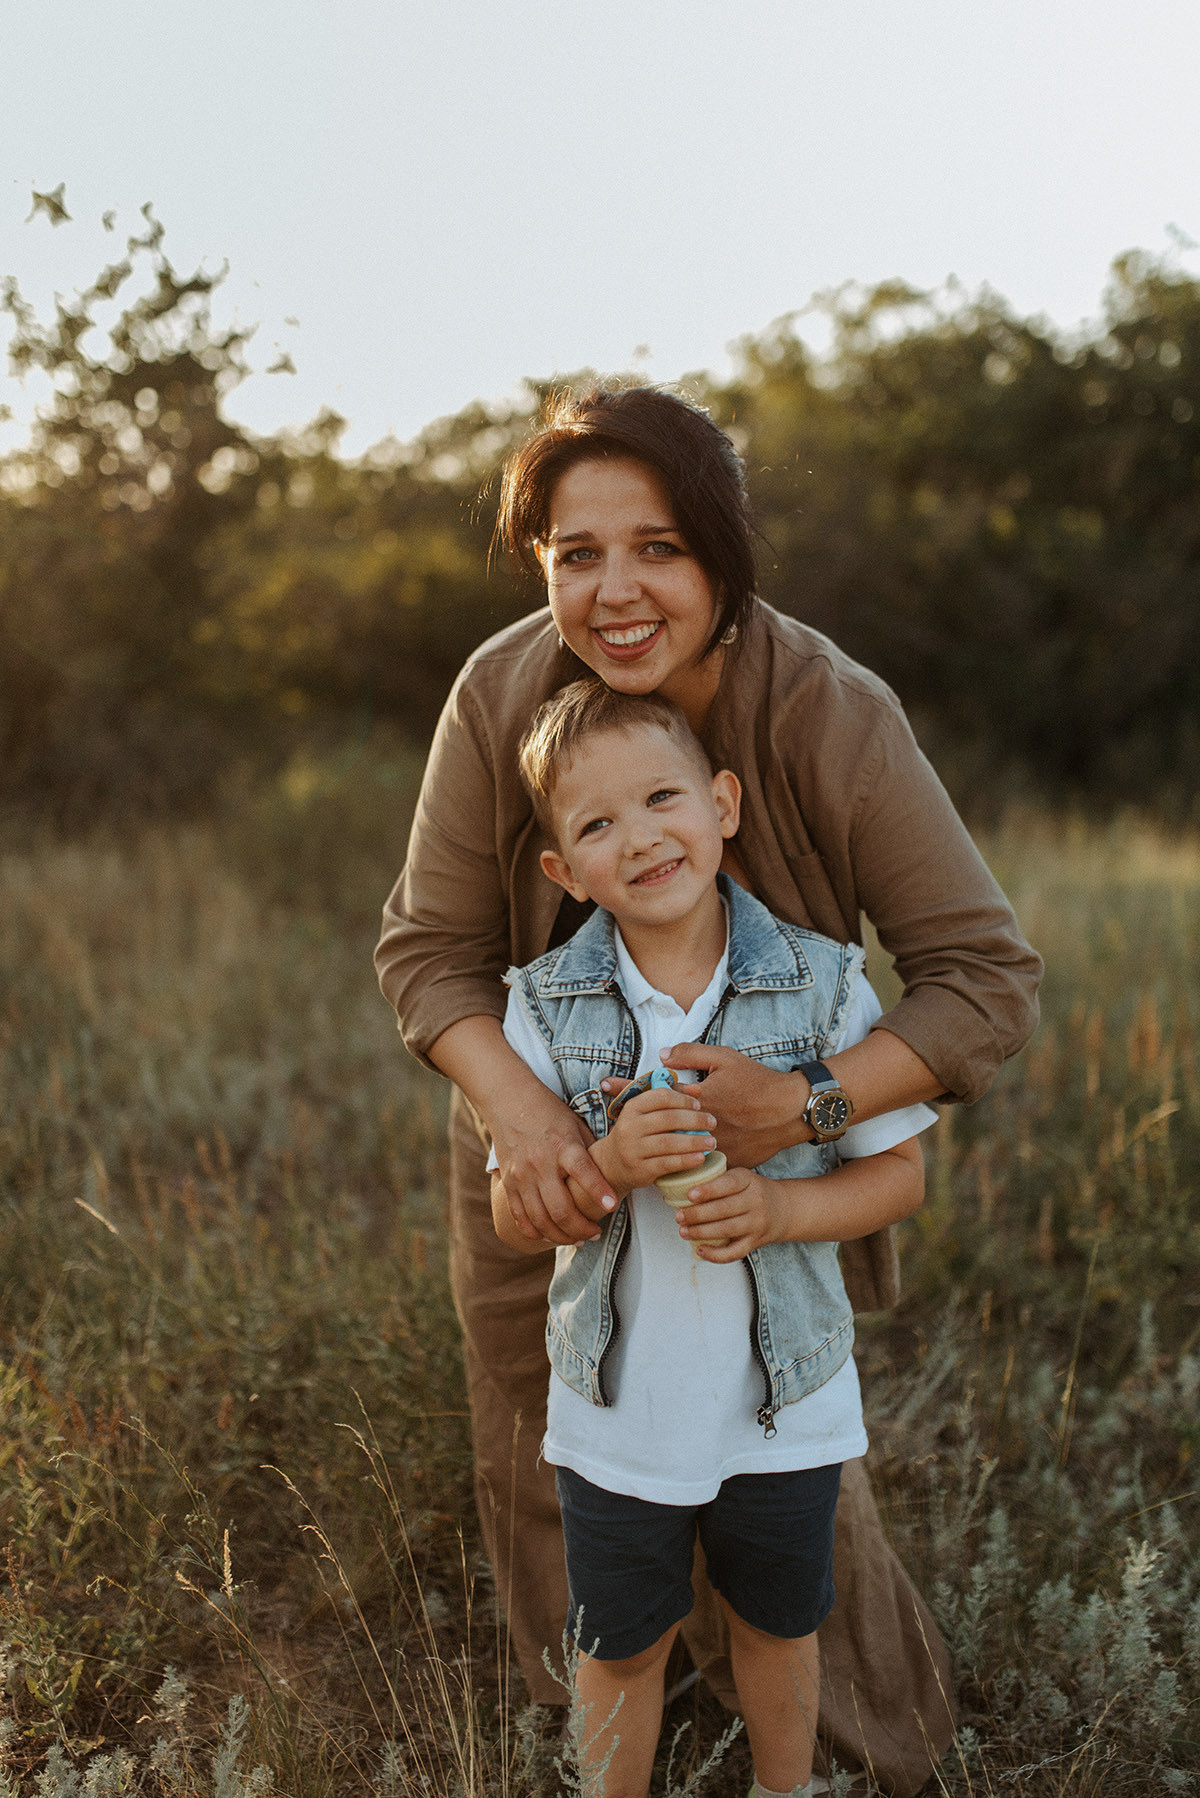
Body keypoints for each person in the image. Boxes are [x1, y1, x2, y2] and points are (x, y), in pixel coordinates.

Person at [375, 384, 1042, 1794]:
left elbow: (984, 981)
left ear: (726, 556)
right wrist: (531, 1117)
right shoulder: (503, 691)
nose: (614, 592)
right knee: (551, 1427)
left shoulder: (829, 712)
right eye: (574, 552)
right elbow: (428, 951)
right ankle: (619, 1729)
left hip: (767, 1131)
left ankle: (845, 1748)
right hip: (538, 1102)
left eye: (659, 547)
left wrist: (803, 1104)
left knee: (775, 1454)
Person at [489, 678, 939, 1798]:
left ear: (723, 802)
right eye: (596, 824)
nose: (639, 837)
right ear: (563, 870)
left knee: (778, 1632)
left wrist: (783, 1207)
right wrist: (606, 1166)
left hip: (782, 1410)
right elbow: (514, 1212)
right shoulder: (543, 1008)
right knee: (622, 1645)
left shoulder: (822, 981)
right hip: (617, 1418)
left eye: (661, 798)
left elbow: (900, 1173)